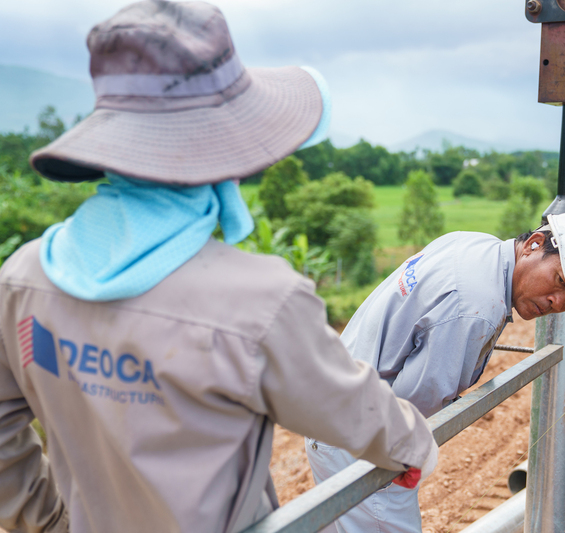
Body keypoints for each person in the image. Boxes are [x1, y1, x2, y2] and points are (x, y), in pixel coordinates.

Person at [0, 2, 438, 532]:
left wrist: (49, 523)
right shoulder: (260, 302)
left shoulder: (23, 281)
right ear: (226, 147)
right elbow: (353, 407)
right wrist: (415, 446)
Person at [306, 212, 565, 533]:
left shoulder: (473, 244)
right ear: (534, 244)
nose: (556, 302)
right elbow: (415, 406)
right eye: (560, 281)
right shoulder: (477, 308)